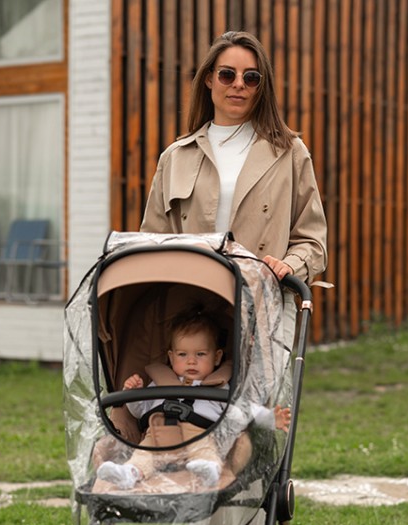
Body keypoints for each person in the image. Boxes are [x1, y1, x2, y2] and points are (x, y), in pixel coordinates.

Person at [140, 30, 328, 322]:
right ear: (209, 79)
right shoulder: (175, 157)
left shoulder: (290, 152)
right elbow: (151, 243)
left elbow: (313, 240)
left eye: (251, 77)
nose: (239, 84)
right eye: (228, 75)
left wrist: (289, 266)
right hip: (190, 312)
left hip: (264, 307)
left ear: (261, 87)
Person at [97, 307, 290, 490]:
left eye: (200, 354)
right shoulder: (159, 382)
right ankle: (130, 473)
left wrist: (270, 418)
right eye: (182, 354)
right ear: (171, 358)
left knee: (204, 449)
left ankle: (210, 470)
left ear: (216, 357)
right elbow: (140, 411)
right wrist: (133, 393)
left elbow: (243, 411)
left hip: (199, 433)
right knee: (143, 453)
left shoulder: (219, 387)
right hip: (157, 435)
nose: (191, 361)